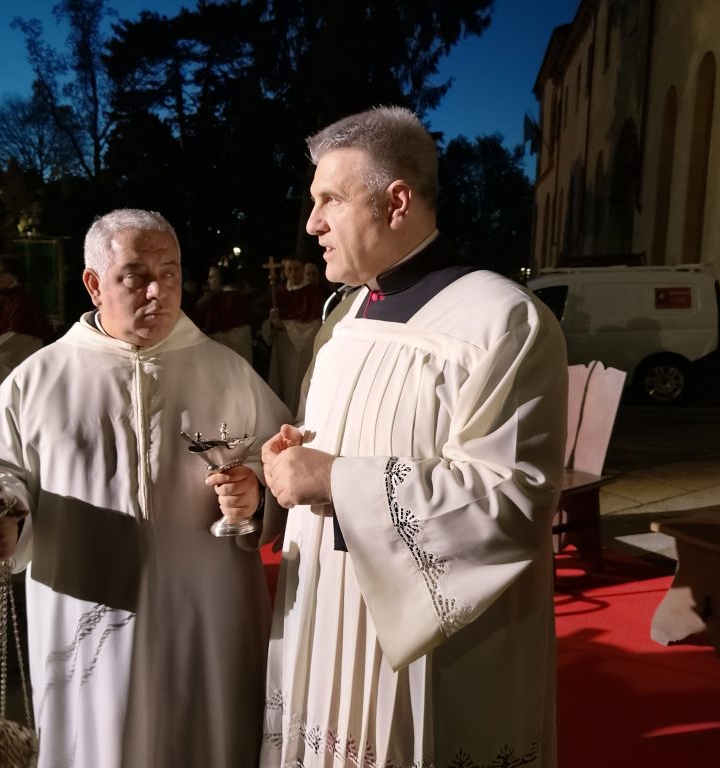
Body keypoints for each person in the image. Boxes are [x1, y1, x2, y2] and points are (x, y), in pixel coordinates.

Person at [259, 107, 568, 767]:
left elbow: (512, 498)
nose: (312, 223)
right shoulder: (345, 315)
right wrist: (288, 462)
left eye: (330, 200)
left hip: (430, 641)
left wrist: (332, 478)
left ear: (396, 202)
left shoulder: (501, 320)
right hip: (330, 609)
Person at [0, 209, 291, 767]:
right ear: (94, 283)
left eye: (170, 273)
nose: (158, 291)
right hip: (90, 616)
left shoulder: (228, 371)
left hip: (207, 617)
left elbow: (282, 461)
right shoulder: (40, 379)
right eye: (136, 275)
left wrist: (256, 496)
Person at [0, 255, 52, 389]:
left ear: (15, 275)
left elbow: (20, 335)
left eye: (2, 272)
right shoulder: (0, 299)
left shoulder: (23, 302)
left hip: (16, 362)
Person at [264, 255, 324, 417]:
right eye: (289, 269)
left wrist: (284, 325)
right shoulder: (279, 292)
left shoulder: (312, 293)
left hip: (299, 347)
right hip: (281, 345)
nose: (293, 273)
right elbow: (267, 325)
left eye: (296, 269)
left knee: (296, 383)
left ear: (303, 270)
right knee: (280, 381)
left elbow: (314, 324)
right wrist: (272, 321)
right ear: (284, 272)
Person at [195, 263, 254, 364]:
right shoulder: (217, 297)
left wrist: (214, 338)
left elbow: (242, 332)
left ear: (221, 278)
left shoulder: (232, 299)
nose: (208, 281)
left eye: (211, 277)